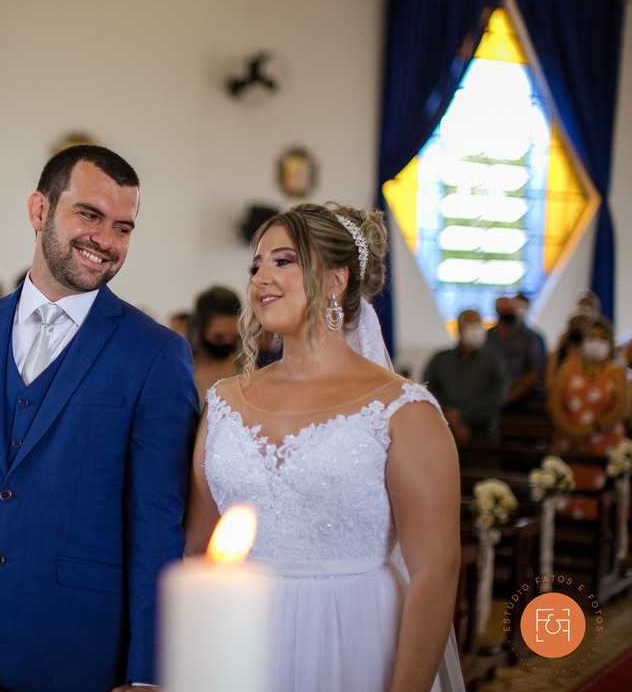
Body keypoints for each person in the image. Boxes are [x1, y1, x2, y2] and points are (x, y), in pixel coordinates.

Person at [0, 145, 199, 692]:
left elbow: (158, 529)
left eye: (123, 227)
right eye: (89, 215)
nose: (106, 240)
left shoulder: (155, 355)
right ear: (39, 211)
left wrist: (148, 675)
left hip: (79, 656)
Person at [185, 202, 463, 692]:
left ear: (337, 279)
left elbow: (434, 571)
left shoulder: (404, 411)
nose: (260, 279)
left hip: (352, 633)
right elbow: (198, 549)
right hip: (242, 638)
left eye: (283, 261)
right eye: (256, 265)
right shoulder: (224, 402)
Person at [548, 317, 629, 519]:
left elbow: (620, 410)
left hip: (603, 445)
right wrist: (570, 431)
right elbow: (555, 402)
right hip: (568, 443)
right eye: (592, 336)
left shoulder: (618, 372)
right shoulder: (568, 367)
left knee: (598, 503)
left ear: (610, 343)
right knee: (567, 494)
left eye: (602, 338)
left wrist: (587, 431)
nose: (596, 341)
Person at [423, 310, 509, 443]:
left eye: (477, 323)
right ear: (458, 327)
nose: (474, 328)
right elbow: (428, 388)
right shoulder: (440, 359)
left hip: (482, 431)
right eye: (469, 323)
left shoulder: (494, 359)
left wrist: (463, 416)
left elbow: (498, 394)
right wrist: (450, 416)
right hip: (443, 428)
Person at [486, 296, 544, 413]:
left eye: (510, 309)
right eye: (505, 309)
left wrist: (511, 396)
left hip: (519, 399)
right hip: (489, 398)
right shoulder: (489, 335)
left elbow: (534, 371)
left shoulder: (528, 337)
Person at [189, 285, 244, 395]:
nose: (227, 342)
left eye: (234, 337)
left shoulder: (246, 371)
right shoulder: (185, 370)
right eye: (219, 337)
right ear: (200, 329)